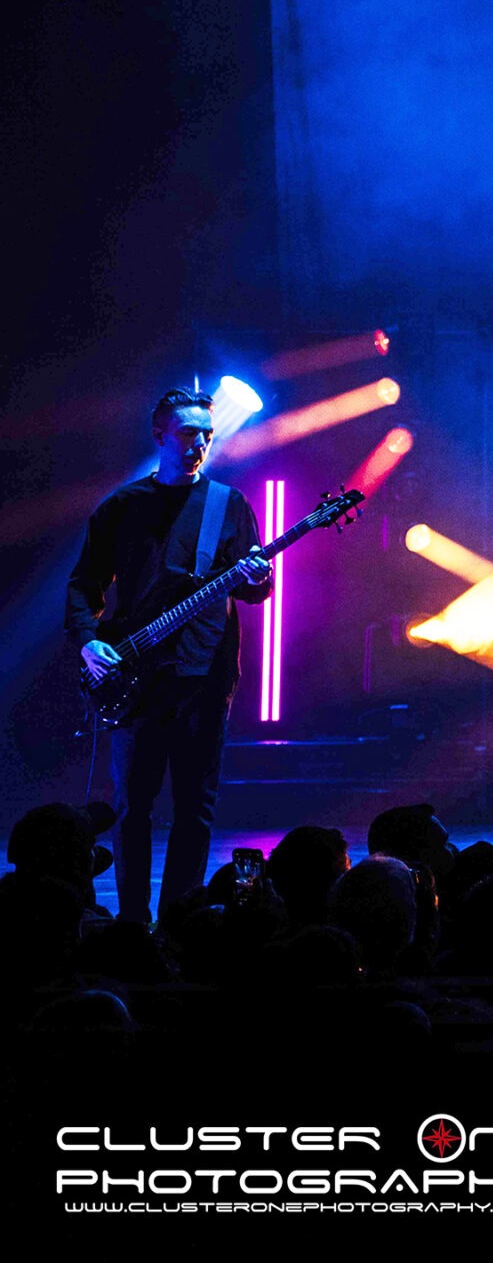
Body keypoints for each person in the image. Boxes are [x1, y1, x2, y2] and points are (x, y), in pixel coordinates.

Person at [66, 388, 271, 925]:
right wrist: (88, 640)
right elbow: (85, 584)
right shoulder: (122, 506)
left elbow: (252, 591)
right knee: (132, 807)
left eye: (207, 435)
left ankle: (179, 923)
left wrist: (259, 576)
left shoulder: (229, 505)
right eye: (187, 434)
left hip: (205, 676)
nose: (199, 444)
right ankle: (132, 925)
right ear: (160, 436)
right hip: (135, 677)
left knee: (195, 807)